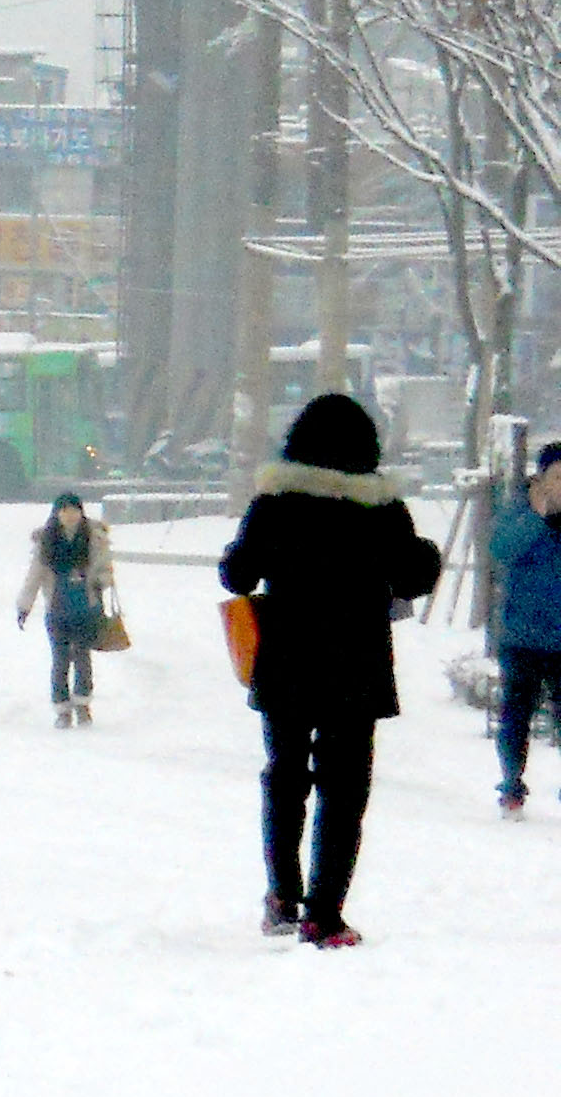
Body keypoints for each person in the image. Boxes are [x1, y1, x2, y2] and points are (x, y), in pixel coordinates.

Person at [218, 391, 442, 947]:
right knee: (344, 791)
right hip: (354, 666)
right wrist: (428, 555)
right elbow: (413, 577)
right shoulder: (380, 506)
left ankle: (281, 896)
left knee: (286, 777)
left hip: (287, 661)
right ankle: (325, 914)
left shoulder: (276, 499)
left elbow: (238, 576)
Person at [485, 441, 561, 814]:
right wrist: (537, 516)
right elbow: (500, 549)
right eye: (557, 476)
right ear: (541, 477)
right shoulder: (519, 507)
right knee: (516, 715)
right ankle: (511, 783)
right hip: (522, 635)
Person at [14, 490, 117, 725]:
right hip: (57, 608)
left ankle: (82, 704)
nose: (70, 516)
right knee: (60, 659)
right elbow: (35, 575)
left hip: (85, 607)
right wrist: (24, 606)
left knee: (82, 656)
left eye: (75, 510)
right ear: (56, 513)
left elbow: (105, 568)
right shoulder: (47, 541)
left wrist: (101, 581)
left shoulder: (93, 537)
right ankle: (62, 709)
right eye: (65, 511)